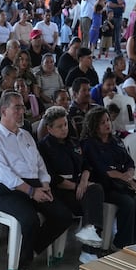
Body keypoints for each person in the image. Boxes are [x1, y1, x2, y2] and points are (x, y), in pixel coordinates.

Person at [0, 91, 75, 270]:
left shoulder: (25, 135)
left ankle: (31, 249)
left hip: (34, 185)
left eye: (22, 107)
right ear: (4, 111)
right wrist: (32, 192)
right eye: (16, 108)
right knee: (30, 220)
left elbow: (39, 164)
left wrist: (45, 184)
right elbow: (5, 175)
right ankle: (21, 262)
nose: (21, 112)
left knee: (63, 215)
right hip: (7, 191)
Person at [36, 106, 106, 249]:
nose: (64, 129)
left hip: (79, 188)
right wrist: (76, 187)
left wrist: (84, 182)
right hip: (60, 192)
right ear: (49, 129)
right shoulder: (44, 147)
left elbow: (86, 165)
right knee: (94, 195)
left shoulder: (73, 142)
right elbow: (51, 177)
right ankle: (90, 246)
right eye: (59, 126)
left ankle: (90, 237)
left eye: (66, 124)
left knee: (96, 190)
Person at [81, 105, 136, 247]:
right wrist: (125, 178)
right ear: (94, 126)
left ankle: (132, 240)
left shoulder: (116, 141)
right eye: (102, 122)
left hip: (122, 184)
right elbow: (103, 170)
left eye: (108, 120)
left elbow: (129, 162)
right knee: (128, 203)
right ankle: (121, 243)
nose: (107, 124)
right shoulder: (90, 144)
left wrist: (129, 174)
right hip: (104, 186)